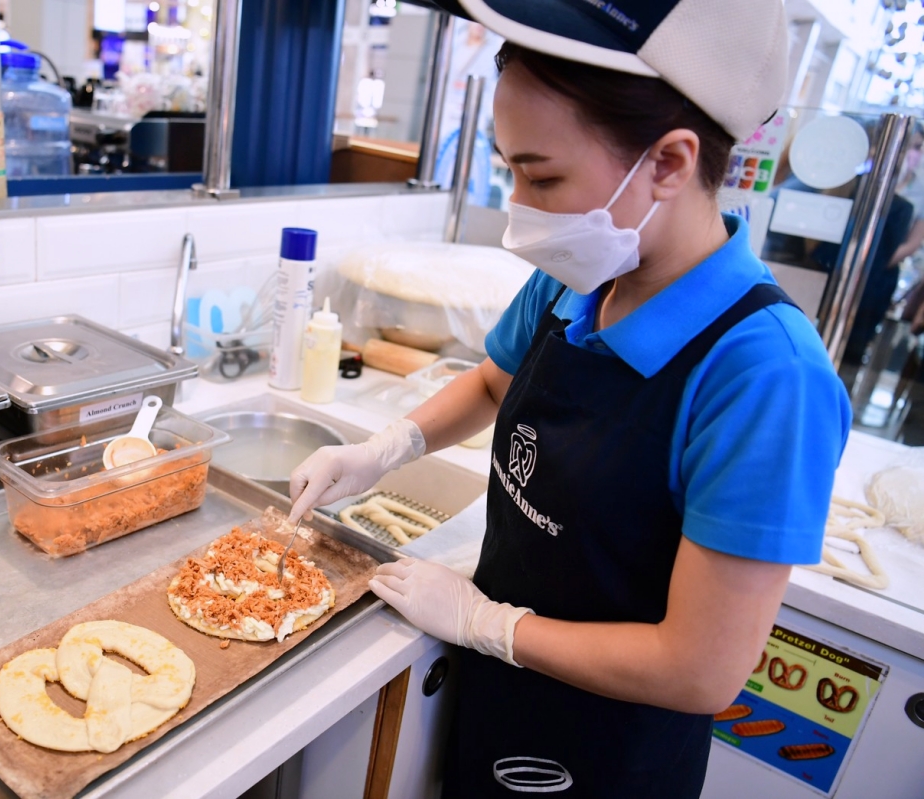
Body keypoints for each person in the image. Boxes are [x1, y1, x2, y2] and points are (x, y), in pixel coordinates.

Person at [288, 2, 851, 797]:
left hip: (611, 749)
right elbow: (493, 380)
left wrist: (491, 624)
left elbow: (699, 670)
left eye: (541, 175)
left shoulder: (766, 377)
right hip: (505, 695)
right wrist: (384, 449)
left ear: (668, 162)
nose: (520, 206)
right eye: (508, 166)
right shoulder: (584, 274)